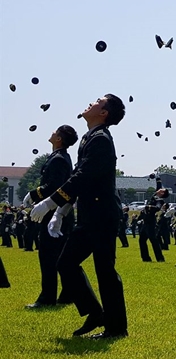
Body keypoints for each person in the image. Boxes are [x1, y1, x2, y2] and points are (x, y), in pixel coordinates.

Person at [30, 94, 128, 339]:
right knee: (66, 263)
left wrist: (51, 202)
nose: (91, 103)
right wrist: (61, 213)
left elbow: (82, 177)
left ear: (104, 113)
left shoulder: (101, 139)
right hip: (90, 215)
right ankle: (96, 314)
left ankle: (116, 328)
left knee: (105, 271)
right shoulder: (90, 138)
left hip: (102, 215)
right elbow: (81, 182)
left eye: (98, 101)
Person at [23, 125, 78, 308]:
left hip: (55, 212)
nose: (52, 133)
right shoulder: (61, 158)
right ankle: (68, 293)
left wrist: (34, 194)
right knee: (60, 256)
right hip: (60, 211)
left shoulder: (58, 159)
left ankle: (48, 297)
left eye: (55, 132)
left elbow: (53, 186)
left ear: (59, 139)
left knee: (48, 256)